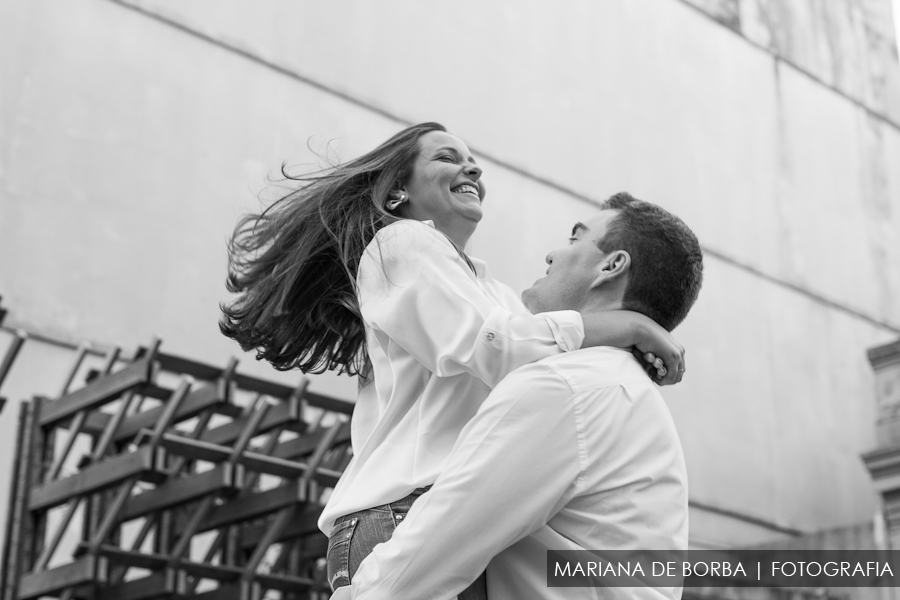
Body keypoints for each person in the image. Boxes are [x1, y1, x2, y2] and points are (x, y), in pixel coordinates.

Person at [219, 123, 686, 596]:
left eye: (471, 160)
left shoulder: (493, 295)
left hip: (425, 515)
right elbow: (496, 348)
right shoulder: (400, 244)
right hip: (399, 515)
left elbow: (531, 350)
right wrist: (630, 326)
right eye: (446, 157)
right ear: (398, 191)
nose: (472, 167)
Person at [341, 194, 704, 600]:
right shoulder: (626, 393)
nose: (552, 254)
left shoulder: (565, 386)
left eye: (573, 239)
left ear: (611, 265)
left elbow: (445, 535)